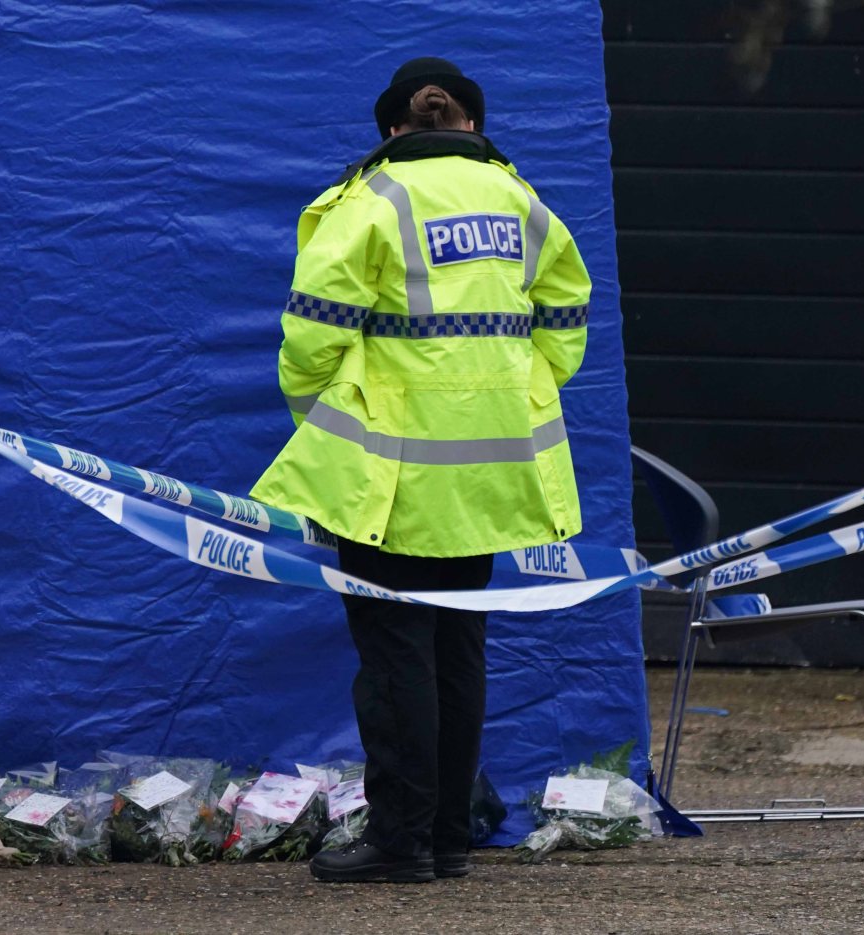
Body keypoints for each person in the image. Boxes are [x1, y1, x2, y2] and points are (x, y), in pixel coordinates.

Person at [250, 57, 591, 883]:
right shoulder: (522, 200)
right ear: (469, 124)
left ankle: (401, 841)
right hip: (492, 468)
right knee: (457, 651)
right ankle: (445, 836)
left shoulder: (371, 201)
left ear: (393, 130)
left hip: (391, 474)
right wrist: (517, 391)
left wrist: (329, 420)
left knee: (397, 655)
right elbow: (568, 311)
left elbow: (312, 335)